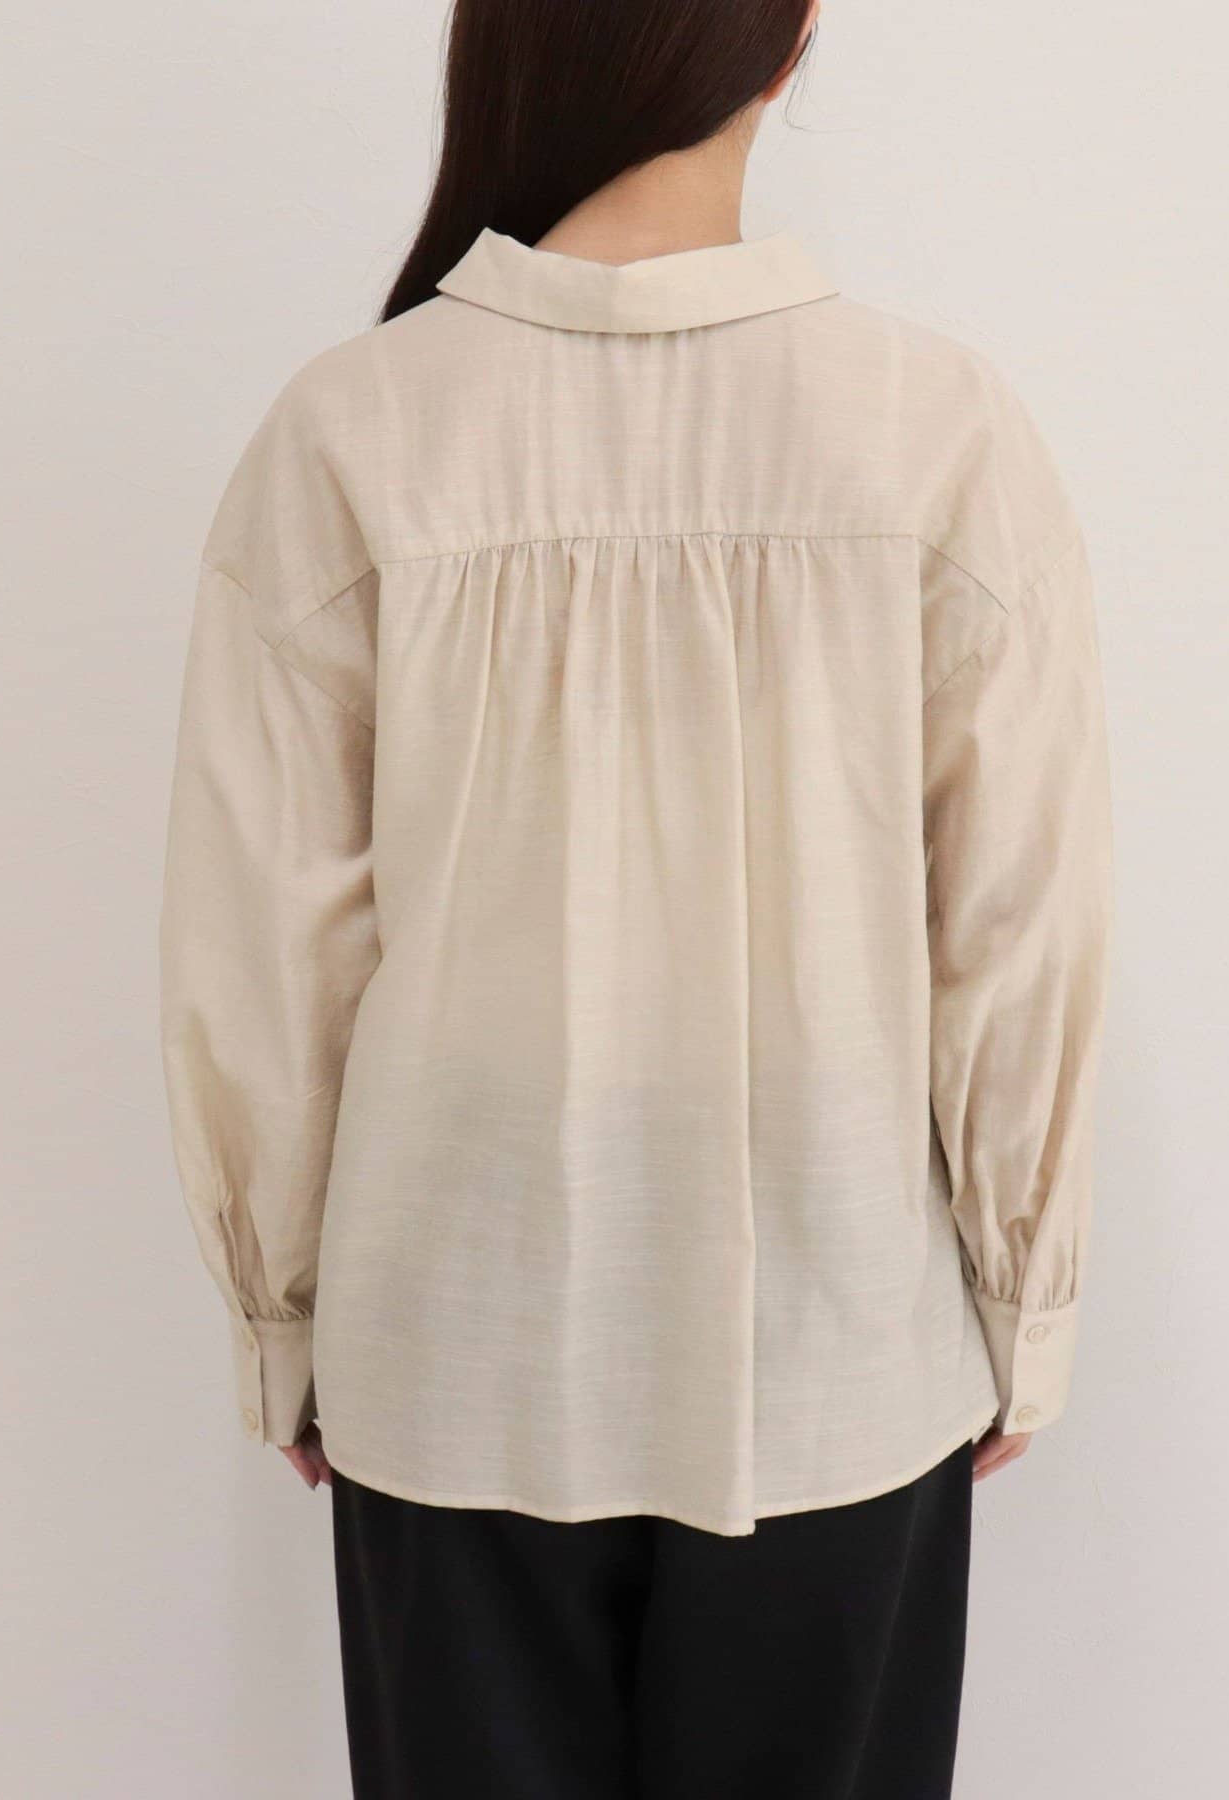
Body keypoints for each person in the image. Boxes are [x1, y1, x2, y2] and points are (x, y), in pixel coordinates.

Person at [158, 1, 1113, 1793]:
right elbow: (1017, 929)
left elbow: (265, 949)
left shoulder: (352, 430)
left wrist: (280, 1308)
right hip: (838, 1353)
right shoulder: (935, 431)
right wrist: (1020, 1290)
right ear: (791, 38)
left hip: (454, 1349)